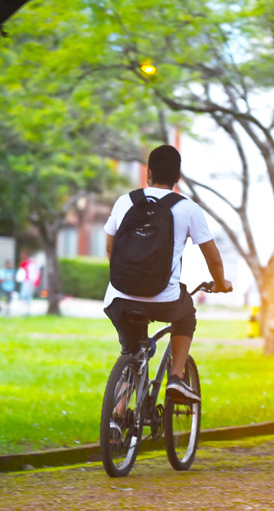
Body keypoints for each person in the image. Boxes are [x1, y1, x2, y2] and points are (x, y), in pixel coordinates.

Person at [103, 144, 231, 402]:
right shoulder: (187, 208)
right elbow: (213, 257)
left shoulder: (124, 202)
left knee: (131, 352)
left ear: (148, 172)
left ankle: (116, 420)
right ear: (178, 177)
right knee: (186, 315)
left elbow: (110, 248)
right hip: (164, 301)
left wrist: (130, 279)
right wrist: (220, 283)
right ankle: (176, 378)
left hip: (118, 299)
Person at [16, 251, 41, 315]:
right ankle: (23, 307)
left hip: (30, 281)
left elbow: (36, 274)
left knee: (28, 295)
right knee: (24, 294)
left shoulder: (34, 264)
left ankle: (27, 308)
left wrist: (36, 282)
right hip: (26, 281)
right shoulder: (26, 263)